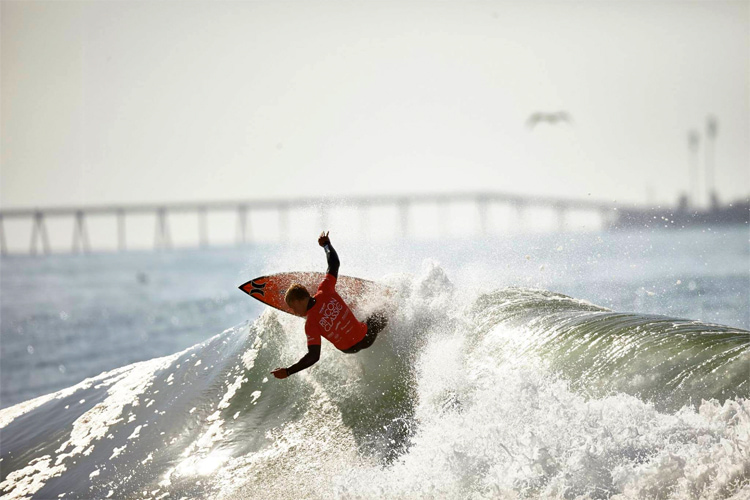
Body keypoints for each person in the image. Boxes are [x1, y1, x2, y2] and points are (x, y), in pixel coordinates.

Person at [271, 231, 387, 379]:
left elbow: (313, 356)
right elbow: (334, 264)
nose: (293, 311)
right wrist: (326, 245)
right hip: (365, 337)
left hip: (348, 349)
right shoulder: (325, 289)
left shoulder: (310, 324)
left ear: (299, 300)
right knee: (380, 314)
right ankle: (394, 312)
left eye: (292, 307)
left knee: (362, 322)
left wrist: (288, 371)